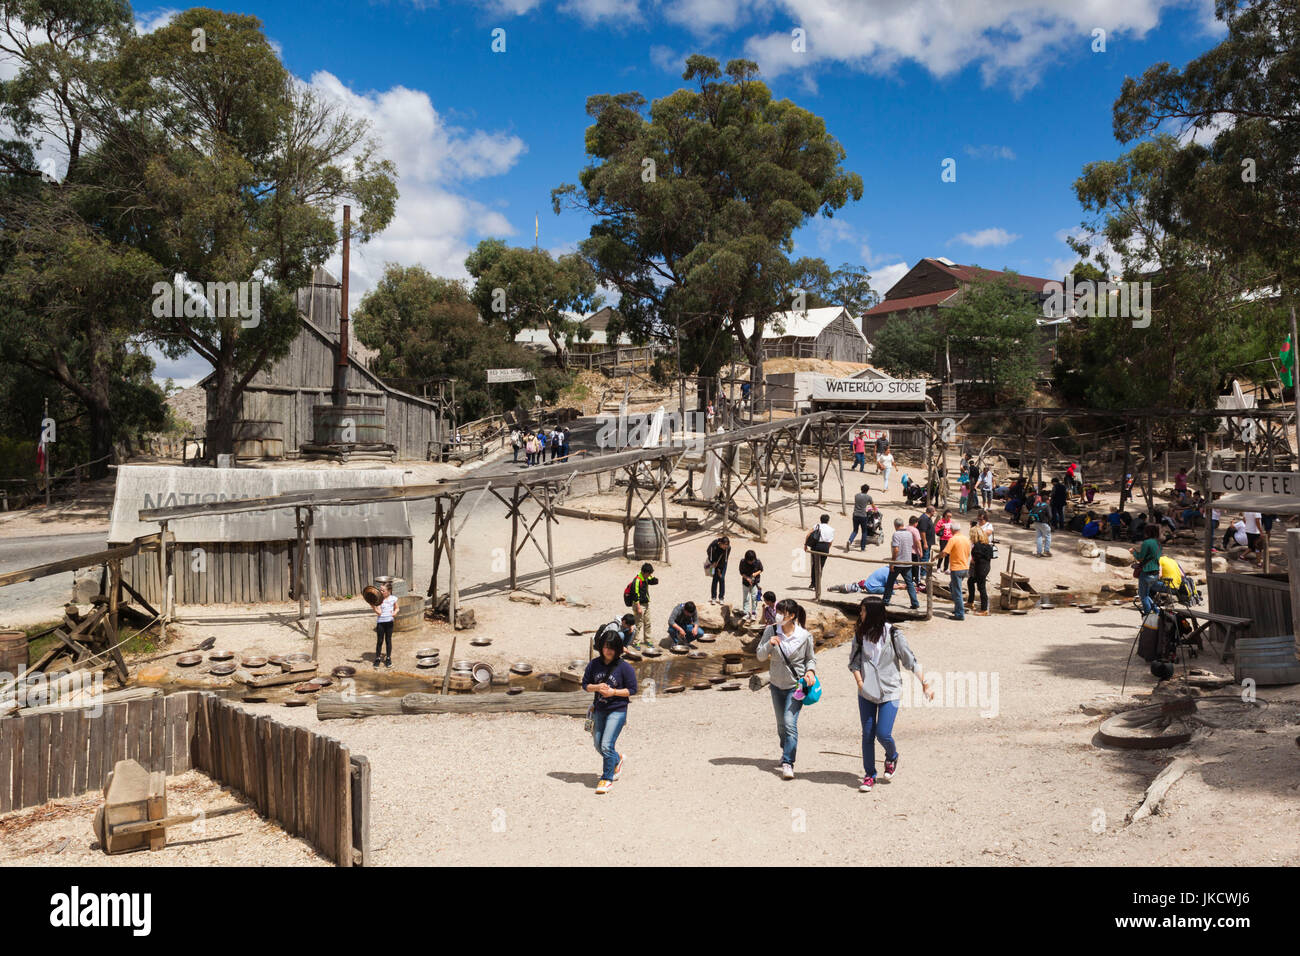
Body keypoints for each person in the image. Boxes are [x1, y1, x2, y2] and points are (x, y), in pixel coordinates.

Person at [848, 597, 934, 792]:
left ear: (873, 613)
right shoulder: (860, 635)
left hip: (890, 690)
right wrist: (861, 684)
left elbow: (910, 660)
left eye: (863, 611)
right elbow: (853, 663)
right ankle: (869, 775)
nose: (860, 614)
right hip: (866, 692)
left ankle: (892, 756)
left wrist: (925, 683)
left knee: (883, 733)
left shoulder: (894, 634)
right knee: (868, 734)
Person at [756, 598, 817, 780]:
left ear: (791, 616)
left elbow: (810, 659)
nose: (777, 614)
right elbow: (759, 656)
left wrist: (811, 672)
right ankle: (785, 750)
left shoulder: (804, 636)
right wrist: (769, 644)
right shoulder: (771, 630)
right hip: (775, 685)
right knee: (781, 726)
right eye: (777, 611)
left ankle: (788, 763)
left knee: (790, 723)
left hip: (795, 687)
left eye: (781, 612)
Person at [581, 626, 637, 794]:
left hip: (617, 710)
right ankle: (617, 759)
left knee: (606, 745)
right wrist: (597, 687)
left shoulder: (625, 667)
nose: (608, 651)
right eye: (605, 646)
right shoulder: (594, 665)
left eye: (612, 648)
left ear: (618, 649)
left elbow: (632, 690)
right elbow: (585, 685)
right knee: (599, 745)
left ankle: (606, 779)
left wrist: (613, 692)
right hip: (599, 708)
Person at [883, 518, 920, 610]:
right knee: (910, 583)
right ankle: (915, 603)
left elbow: (896, 549)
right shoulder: (909, 534)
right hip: (907, 562)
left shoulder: (896, 534)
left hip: (898, 563)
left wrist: (892, 562)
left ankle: (885, 601)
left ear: (895, 525)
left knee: (890, 583)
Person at [942, 520, 972, 621]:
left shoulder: (953, 539)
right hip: (964, 568)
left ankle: (960, 613)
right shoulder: (966, 539)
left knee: (957, 591)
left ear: (952, 530)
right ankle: (958, 608)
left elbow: (945, 552)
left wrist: (936, 557)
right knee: (953, 587)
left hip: (956, 568)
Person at [627, 563, 658, 648]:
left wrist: (651, 577)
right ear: (644, 572)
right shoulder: (637, 580)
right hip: (638, 604)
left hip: (646, 604)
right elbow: (635, 595)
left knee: (648, 622)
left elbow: (655, 581)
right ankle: (636, 642)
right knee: (638, 624)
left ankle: (647, 640)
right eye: (649, 573)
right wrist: (638, 607)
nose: (650, 575)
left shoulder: (646, 578)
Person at [1132, 526, 1162, 614]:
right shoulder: (1158, 543)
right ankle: (1157, 614)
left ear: (1147, 532)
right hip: (1155, 572)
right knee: (1147, 595)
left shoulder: (1146, 543)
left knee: (1143, 596)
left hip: (1146, 573)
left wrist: (1133, 552)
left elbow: (1140, 558)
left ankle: (1148, 619)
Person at [968, 523, 993, 615]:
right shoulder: (987, 544)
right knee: (970, 581)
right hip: (986, 567)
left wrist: (973, 560)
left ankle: (984, 609)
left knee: (981, 588)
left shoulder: (977, 546)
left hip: (980, 569)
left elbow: (975, 559)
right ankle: (970, 602)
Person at [805, 514, 834, 591]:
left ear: (820, 519)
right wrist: (827, 549)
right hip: (825, 547)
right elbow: (831, 541)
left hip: (816, 546)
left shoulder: (816, 526)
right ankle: (818, 583)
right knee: (821, 566)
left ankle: (813, 583)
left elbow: (808, 535)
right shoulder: (831, 529)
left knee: (814, 565)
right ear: (828, 520)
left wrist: (805, 545)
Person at [372, 582, 396, 668]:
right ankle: (378, 658)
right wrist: (373, 606)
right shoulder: (378, 600)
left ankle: (388, 658)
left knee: (388, 640)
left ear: (389, 591)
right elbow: (379, 613)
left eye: (383, 590)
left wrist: (395, 612)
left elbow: (397, 608)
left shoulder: (393, 598)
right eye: (380, 590)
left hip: (389, 622)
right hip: (381, 623)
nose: (381, 592)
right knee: (380, 641)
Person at [845, 484, 875, 552]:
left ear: (861, 489)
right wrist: (875, 510)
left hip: (855, 515)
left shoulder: (856, 495)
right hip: (863, 516)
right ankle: (862, 548)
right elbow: (873, 505)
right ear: (867, 490)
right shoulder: (868, 497)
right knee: (864, 532)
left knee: (855, 530)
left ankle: (850, 540)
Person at [738, 549, 764, 619]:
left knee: (754, 597)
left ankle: (754, 613)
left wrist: (755, 574)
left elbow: (761, 569)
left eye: (752, 560)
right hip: (745, 583)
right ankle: (746, 612)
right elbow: (741, 572)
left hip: (755, 583)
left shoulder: (757, 562)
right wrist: (747, 578)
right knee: (746, 598)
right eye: (749, 561)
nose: (751, 562)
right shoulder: (742, 562)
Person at [706, 535, 731, 603]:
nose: (726, 547)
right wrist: (712, 562)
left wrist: (720, 570)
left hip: (723, 563)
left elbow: (724, 559)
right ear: (721, 543)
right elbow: (709, 553)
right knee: (715, 579)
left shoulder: (728, 548)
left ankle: (721, 597)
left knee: (721, 578)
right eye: (725, 545)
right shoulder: (714, 545)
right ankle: (713, 597)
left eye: (727, 545)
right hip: (713, 563)